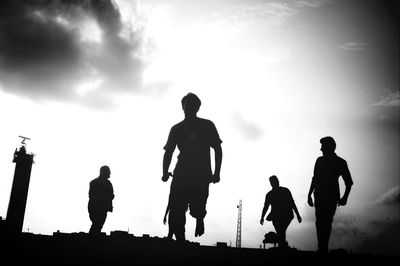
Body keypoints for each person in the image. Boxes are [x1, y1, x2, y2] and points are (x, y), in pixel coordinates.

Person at [162, 92, 222, 242]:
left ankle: (199, 218)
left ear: (198, 107)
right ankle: (180, 240)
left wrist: (217, 173)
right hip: (181, 174)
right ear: (182, 106)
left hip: (201, 176)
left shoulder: (207, 125)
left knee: (197, 208)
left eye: (192, 104)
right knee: (176, 209)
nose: (189, 107)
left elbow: (218, 149)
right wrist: (164, 171)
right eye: (187, 104)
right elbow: (168, 152)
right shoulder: (176, 128)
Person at [307, 136, 353, 253]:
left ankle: (323, 247)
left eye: (322, 146)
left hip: (331, 196)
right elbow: (315, 178)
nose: (321, 149)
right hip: (320, 195)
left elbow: (348, 182)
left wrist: (345, 197)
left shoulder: (340, 162)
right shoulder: (320, 160)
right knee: (320, 222)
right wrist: (309, 194)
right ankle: (321, 247)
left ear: (329, 147)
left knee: (326, 222)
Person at [260, 175, 302, 248]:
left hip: (286, 215)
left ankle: (282, 245)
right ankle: (282, 245)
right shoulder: (270, 194)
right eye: (275, 181)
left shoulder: (285, 191)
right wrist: (262, 217)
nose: (277, 182)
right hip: (276, 216)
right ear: (272, 183)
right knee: (280, 231)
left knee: (281, 231)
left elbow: (292, 203)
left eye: (277, 180)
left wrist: (298, 215)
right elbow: (266, 206)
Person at [88, 165, 114, 235]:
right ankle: (91, 241)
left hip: (93, 208)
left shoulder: (93, 182)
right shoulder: (107, 184)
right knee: (97, 225)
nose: (110, 173)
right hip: (100, 208)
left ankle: (91, 239)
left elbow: (91, 195)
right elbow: (111, 196)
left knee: (96, 225)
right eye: (109, 172)